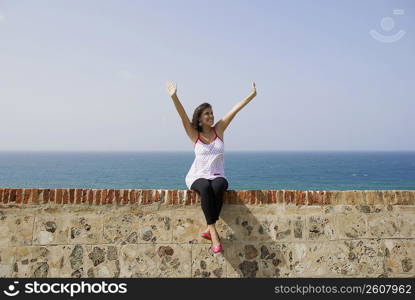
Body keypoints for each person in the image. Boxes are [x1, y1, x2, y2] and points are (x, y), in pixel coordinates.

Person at [166, 80, 257, 253]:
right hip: (197, 175)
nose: (211, 116)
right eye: (207, 114)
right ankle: (213, 231)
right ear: (199, 119)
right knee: (205, 187)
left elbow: (235, 109)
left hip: (217, 174)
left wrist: (251, 95)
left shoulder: (219, 130)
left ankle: (209, 229)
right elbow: (183, 116)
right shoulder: (195, 135)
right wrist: (174, 97)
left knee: (219, 186)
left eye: (212, 113)